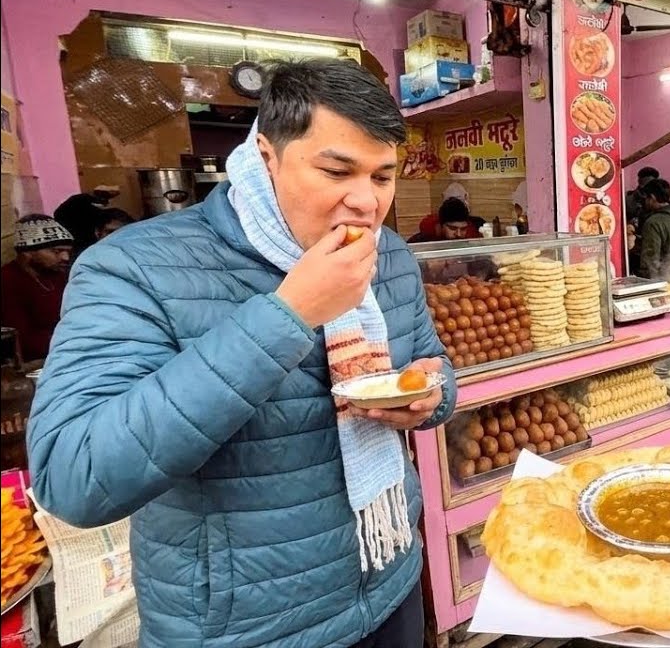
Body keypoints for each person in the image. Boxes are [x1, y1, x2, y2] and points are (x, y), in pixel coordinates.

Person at [27, 58, 458, 648]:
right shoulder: (133, 267)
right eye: (337, 170)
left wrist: (432, 395)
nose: (366, 202)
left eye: (383, 177)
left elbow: (433, 365)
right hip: (243, 625)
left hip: (387, 581)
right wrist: (290, 313)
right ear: (265, 156)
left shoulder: (390, 259)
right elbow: (74, 476)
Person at [0, 215, 73, 361]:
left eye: (68, 251)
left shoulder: (59, 274)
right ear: (27, 252)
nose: (65, 257)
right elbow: (21, 339)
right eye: (56, 251)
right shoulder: (7, 280)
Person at [635, 178, 670, 279]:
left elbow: (650, 262)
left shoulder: (653, 222)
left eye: (646, 198)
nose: (645, 202)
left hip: (662, 281)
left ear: (652, 198)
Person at [412, 197, 481, 242]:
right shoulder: (421, 240)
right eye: (453, 228)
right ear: (440, 225)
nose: (459, 234)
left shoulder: (472, 236)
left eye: (463, 229)